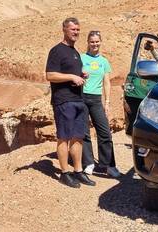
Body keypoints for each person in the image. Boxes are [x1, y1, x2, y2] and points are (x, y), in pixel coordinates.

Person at [45, 17, 96, 188]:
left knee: (78, 137)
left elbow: (71, 73)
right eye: (73, 29)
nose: (76, 33)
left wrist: (81, 75)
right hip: (63, 100)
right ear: (64, 30)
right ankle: (65, 173)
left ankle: (78, 171)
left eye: (78, 30)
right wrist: (71, 76)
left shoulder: (75, 52)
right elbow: (50, 75)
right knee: (64, 137)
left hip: (78, 99)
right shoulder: (57, 51)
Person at [81, 31, 121, 178]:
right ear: (88, 42)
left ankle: (108, 165)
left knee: (105, 133)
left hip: (97, 100)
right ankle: (89, 163)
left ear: (100, 42)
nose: (95, 44)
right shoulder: (81, 58)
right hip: (82, 98)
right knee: (84, 132)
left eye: (97, 41)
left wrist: (107, 102)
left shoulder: (104, 61)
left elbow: (106, 82)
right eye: (92, 41)